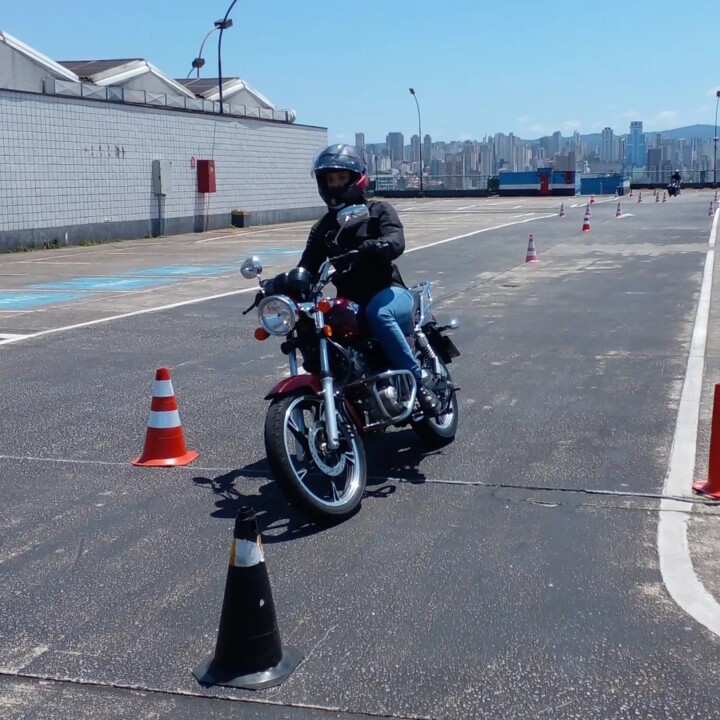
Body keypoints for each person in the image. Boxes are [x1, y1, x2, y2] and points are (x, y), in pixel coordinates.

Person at [297, 143, 440, 415]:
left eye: (341, 178)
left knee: (379, 314)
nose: (335, 184)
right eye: (330, 179)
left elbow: (396, 241)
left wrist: (376, 247)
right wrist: (283, 283)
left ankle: (419, 382)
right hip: (351, 300)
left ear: (357, 179)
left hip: (389, 292)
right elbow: (307, 265)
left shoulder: (378, 211)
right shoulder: (323, 228)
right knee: (317, 325)